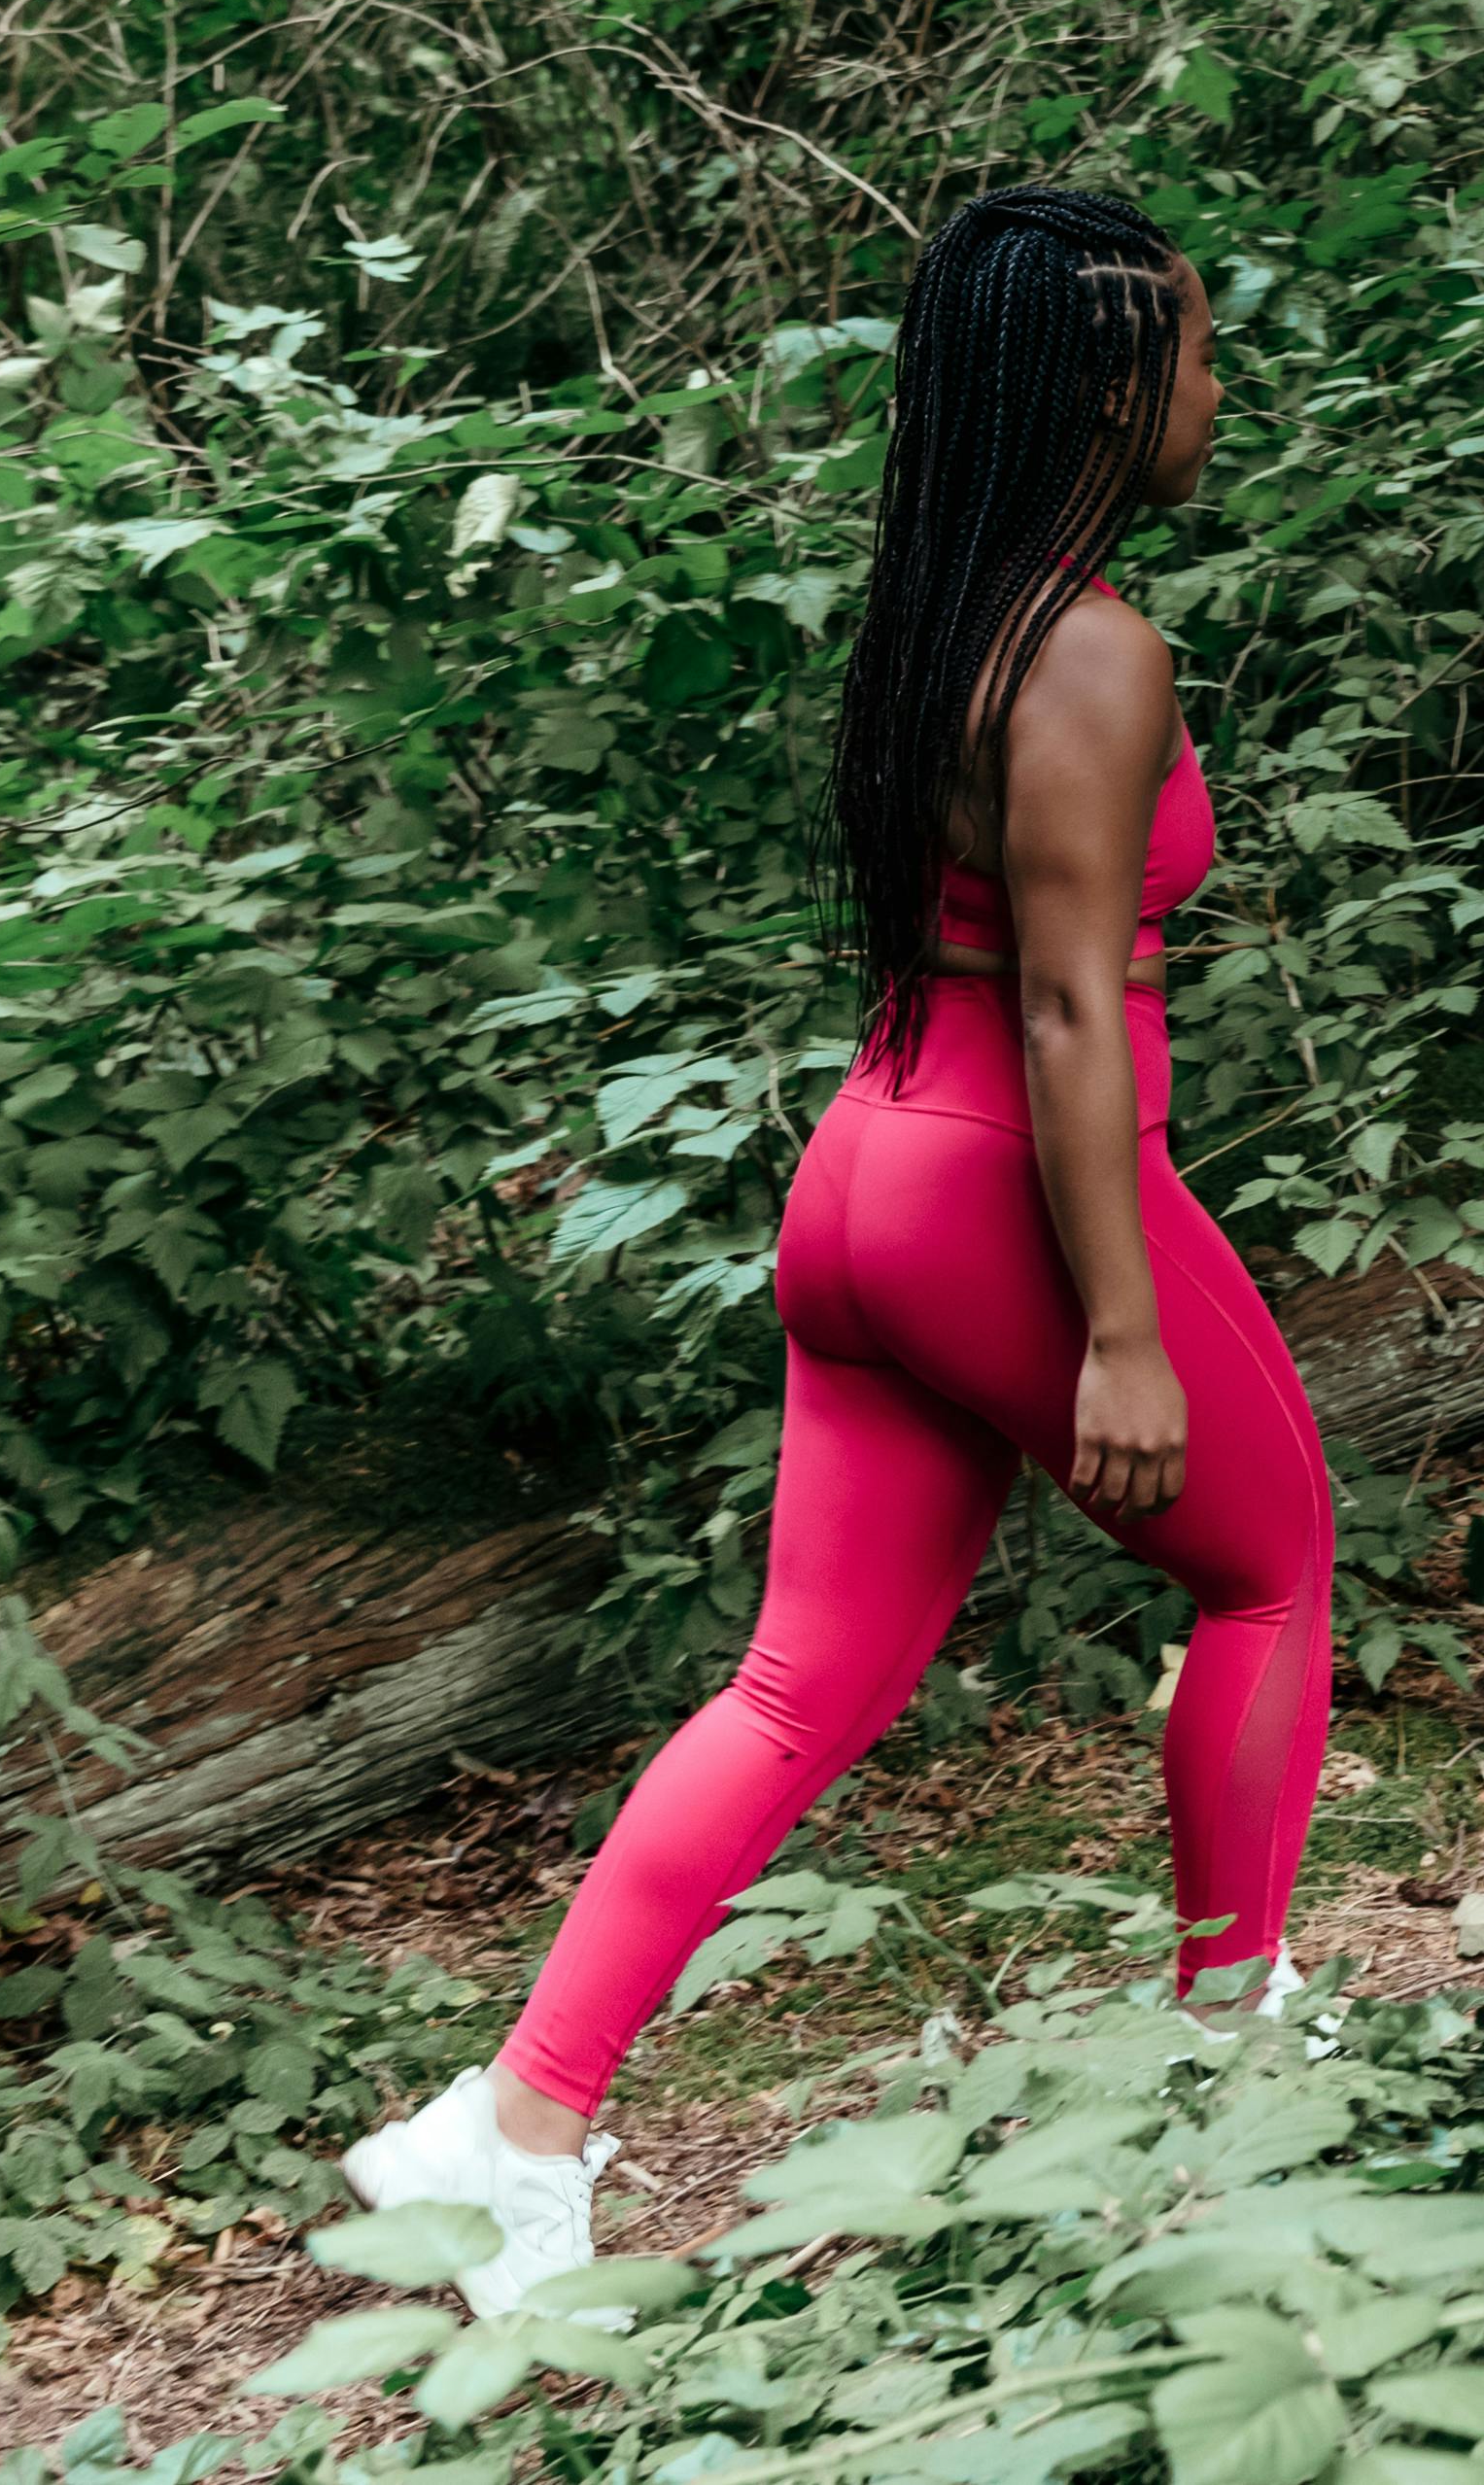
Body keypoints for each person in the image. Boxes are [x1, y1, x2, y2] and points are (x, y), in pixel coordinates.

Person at [339, 186, 1335, 2320]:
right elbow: (1065, 1006)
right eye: (1197, 348)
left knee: (796, 1683)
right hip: (1005, 1190)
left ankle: (512, 2128)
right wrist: (1123, 1331)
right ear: (1108, 386)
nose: (1219, 389)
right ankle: (1229, 2061)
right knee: (1272, 1575)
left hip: (867, 1175)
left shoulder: (943, 617)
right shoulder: (1092, 649)